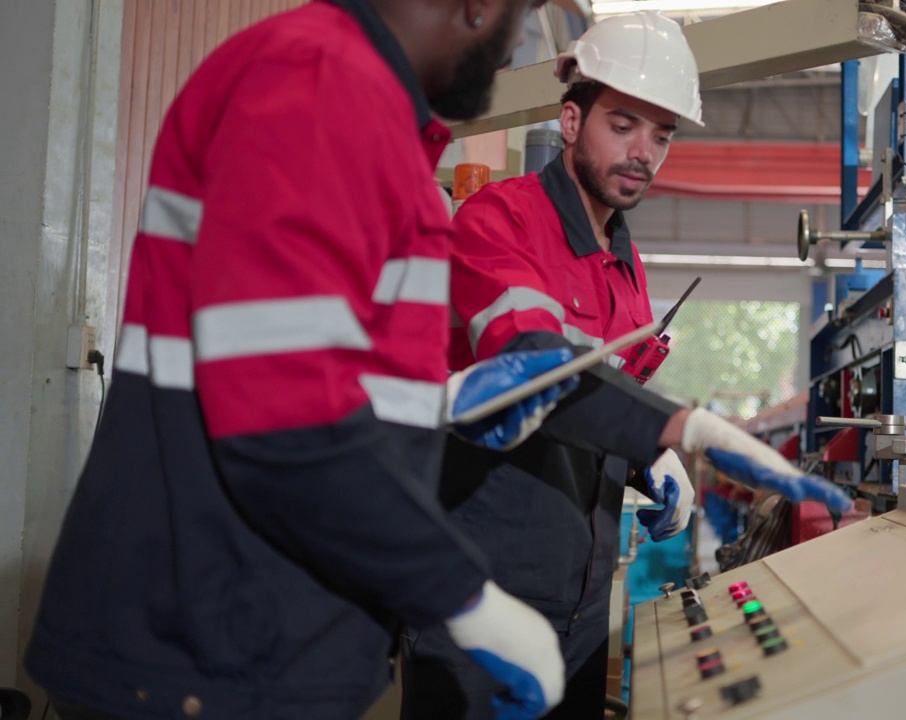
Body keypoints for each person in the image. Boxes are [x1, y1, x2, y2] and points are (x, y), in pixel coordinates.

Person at [24, 1, 587, 719]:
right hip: (206, 643)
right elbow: (284, 419)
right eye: (523, 17)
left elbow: (291, 358)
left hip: (234, 631)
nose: (517, 48)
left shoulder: (359, 104)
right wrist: (466, 599)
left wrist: (438, 407)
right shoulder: (323, 82)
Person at [401, 12, 852, 719]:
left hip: (584, 603)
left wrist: (642, 463)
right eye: (624, 125)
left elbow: (608, 392)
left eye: (663, 135)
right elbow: (535, 364)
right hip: (483, 595)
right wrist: (676, 430)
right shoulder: (499, 221)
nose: (645, 151)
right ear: (572, 120)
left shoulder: (624, 259)